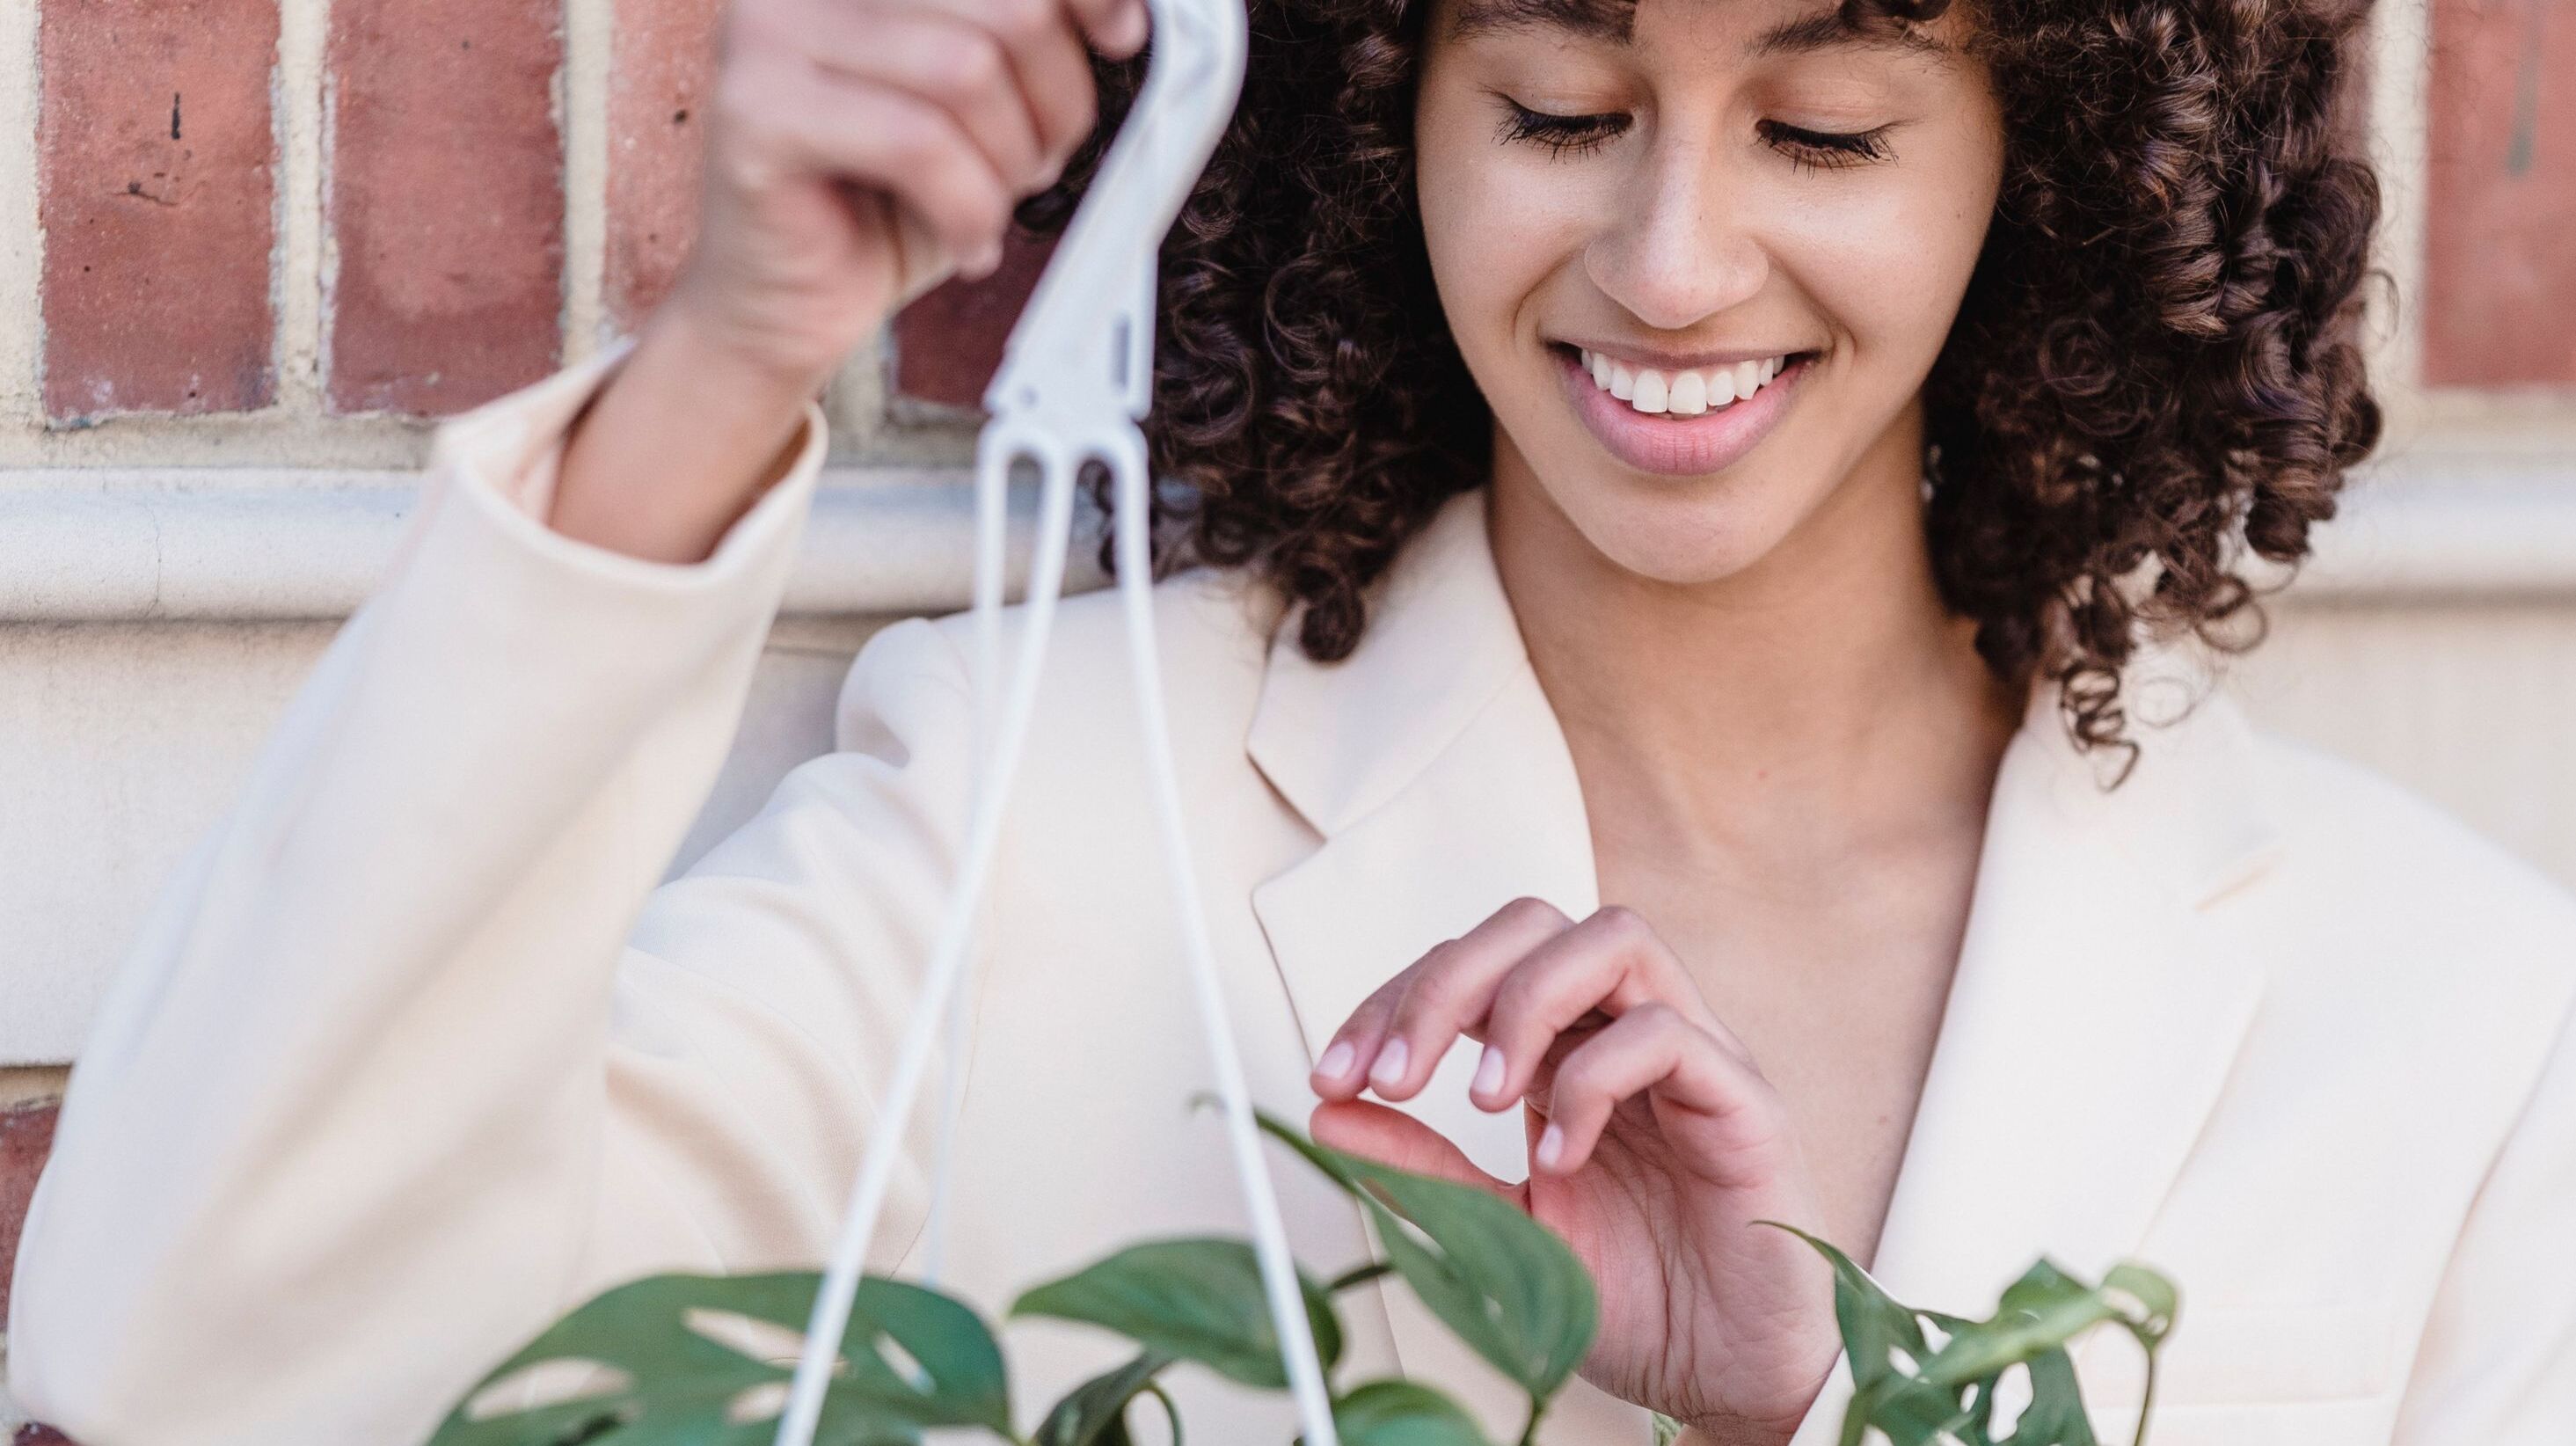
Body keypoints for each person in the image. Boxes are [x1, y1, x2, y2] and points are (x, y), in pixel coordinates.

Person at [11, 0, 2572, 1441]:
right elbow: (200, 1363)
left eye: (1818, 125)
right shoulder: (1029, 819)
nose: (1671, 259)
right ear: (1383, 125)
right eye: (1557, 113)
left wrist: (1805, 1418)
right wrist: (723, 365)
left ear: (2047, 162)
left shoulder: (2450, 1020)